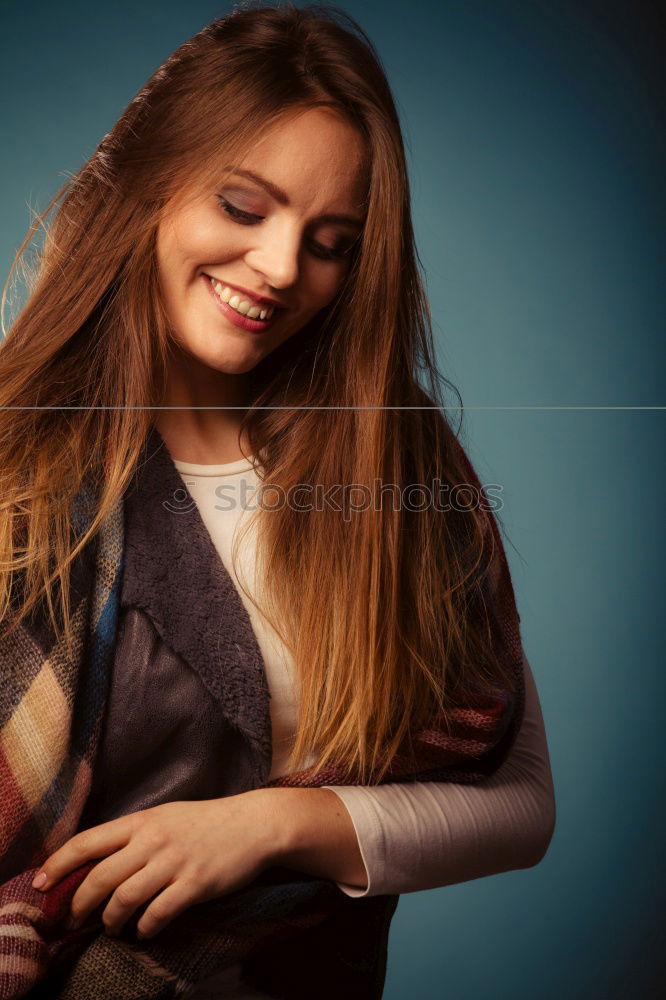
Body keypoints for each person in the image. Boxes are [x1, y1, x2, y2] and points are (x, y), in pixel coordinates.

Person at [0, 2, 556, 997]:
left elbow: (521, 803)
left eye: (332, 241)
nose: (283, 267)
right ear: (149, 183)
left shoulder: (400, 466)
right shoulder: (16, 467)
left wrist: (270, 828)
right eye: (245, 208)